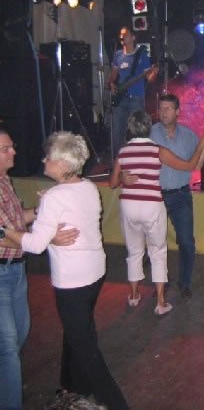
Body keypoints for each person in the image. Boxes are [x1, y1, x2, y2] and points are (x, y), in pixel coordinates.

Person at [2, 131, 128, 410]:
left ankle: (116, 403)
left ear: (62, 163)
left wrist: (3, 231)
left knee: (85, 347)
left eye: (48, 157)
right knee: (76, 333)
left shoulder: (55, 197)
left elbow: (35, 244)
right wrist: (47, 213)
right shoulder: (88, 187)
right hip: (94, 273)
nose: (43, 160)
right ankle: (73, 387)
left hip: (72, 281)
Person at [110, 112, 204, 315]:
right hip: (151, 204)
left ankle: (133, 296)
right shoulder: (156, 150)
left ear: (130, 129)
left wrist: (123, 178)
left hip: (129, 205)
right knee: (158, 251)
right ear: (149, 128)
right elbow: (189, 166)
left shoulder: (123, 151)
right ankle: (160, 302)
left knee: (134, 252)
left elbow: (113, 183)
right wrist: (202, 142)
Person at [150, 94, 203, 299]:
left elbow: (198, 164)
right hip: (155, 195)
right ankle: (161, 283)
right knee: (156, 243)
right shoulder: (150, 133)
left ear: (177, 111)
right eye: (161, 108)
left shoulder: (189, 135)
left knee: (186, 242)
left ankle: (184, 282)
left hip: (180, 194)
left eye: (168, 108)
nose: (164, 112)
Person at [107, 26, 158, 156]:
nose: (122, 36)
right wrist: (110, 84)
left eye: (126, 34)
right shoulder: (118, 55)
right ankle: (119, 160)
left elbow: (149, 78)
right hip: (120, 98)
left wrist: (154, 73)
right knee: (117, 132)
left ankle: (137, 158)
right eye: (121, 34)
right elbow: (112, 75)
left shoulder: (141, 55)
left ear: (133, 37)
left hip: (136, 98)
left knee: (137, 131)